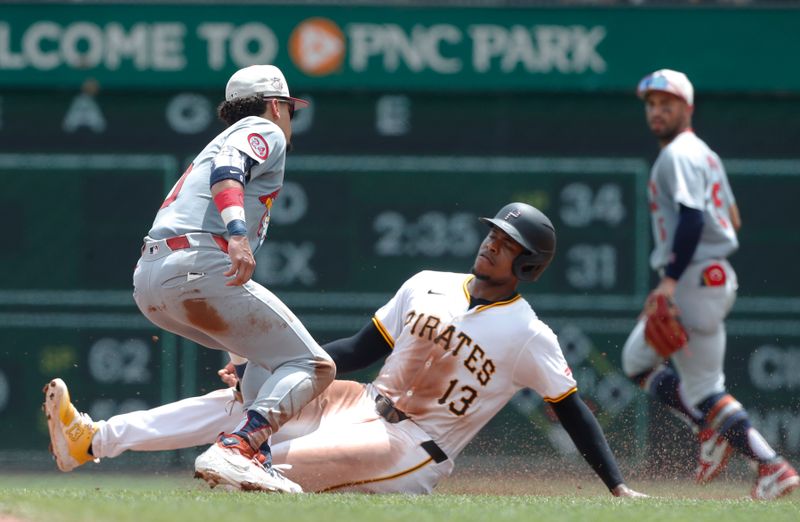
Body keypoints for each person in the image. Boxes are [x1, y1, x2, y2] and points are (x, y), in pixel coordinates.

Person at [44, 203, 645, 497]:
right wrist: (273, 367)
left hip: (410, 444)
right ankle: (92, 440)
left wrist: (616, 488)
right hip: (361, 399)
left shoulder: (529, 334)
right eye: (493, 234)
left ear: (529, 264)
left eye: (507, 243)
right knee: (251, 399)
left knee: (267, 466)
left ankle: (228, 479)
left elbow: (572, 409)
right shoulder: (426, 283)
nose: (492, 245)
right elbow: (358, 349)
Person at [43, 64, 336, 493]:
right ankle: (238, 448)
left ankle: (254, 458)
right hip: (197, 264)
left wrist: (238, 355)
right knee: (313, 366)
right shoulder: (264, 130)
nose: (290, 118)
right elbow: (229, 171)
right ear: (276, 105)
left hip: (151, 279)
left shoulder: (219, 140)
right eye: (289, 109)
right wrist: (237, 233)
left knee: (262, 367)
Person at [622, 69, 799, 500]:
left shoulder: (677, 155)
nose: (657, 111)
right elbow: (732, 218)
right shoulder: (706, 154)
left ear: (689, 108)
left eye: (668, 103)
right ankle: (725, 438)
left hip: (692, 278)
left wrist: (668, 282)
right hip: (713, 275)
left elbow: (693, 217)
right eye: (651, 104)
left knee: (690, 384)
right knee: (646, 365)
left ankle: (770, 465)